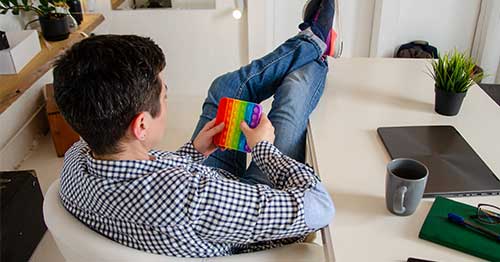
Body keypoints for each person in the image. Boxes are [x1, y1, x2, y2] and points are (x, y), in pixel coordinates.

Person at [53, 0, 337, 258]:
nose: (167, 99)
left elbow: (152, 183)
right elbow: (319, 207)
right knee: (292, 95)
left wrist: (193, 152)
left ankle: (311, 42)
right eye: (165, 95)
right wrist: (264, 148)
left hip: (201, 201)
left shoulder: (75, 159)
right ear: (141, 124)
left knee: (224, 89)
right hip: (233, 224)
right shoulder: (194, 198)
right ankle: (317, 47)